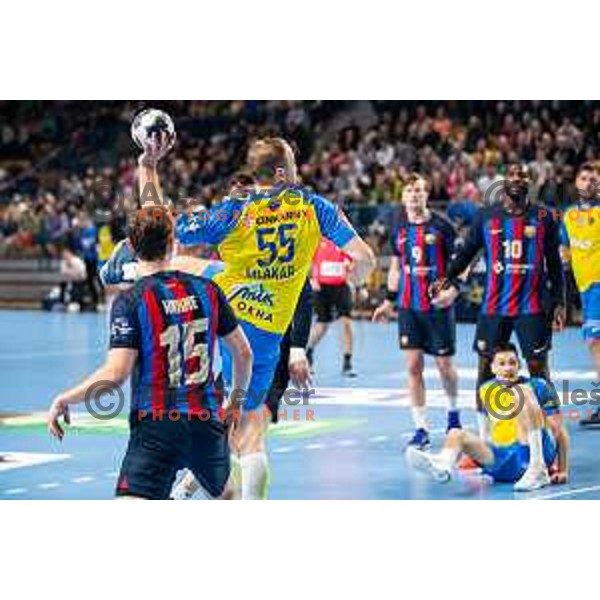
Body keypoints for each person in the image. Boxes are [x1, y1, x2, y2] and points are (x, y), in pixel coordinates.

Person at [171, 137, 376, 499]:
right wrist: (356, 280)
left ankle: (128, 269)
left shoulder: (234, 208)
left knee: (186, 265)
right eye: (294, 162)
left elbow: (180, 231)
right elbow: (365, 258)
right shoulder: (314, 206)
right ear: (283, 171)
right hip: (264, 330)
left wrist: (153, 176)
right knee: (251, 428)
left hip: (224, 313)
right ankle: (224, 490)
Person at [47, 206, 253, 500]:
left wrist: (64, 399)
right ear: (173, 242)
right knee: (226, 495)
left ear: (130, 247)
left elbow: (115, 374)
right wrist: (235, 402)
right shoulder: (208, 290)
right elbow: (243, 354)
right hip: (207, 423)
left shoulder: (131, 301)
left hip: (157, 426)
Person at [432, 164, 566, 440]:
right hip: (494, 307)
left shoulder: (545, 216)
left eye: (523, 176)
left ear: (531, 182)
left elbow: (554, 263)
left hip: (533, 307)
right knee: (486, 369)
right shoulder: (485, 216)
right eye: (513, 174)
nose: (517, 179)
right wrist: (446, 276)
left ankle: (551, 438)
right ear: (505, 181)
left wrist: (560, 304)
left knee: (539, 370)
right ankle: (485, 439)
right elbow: (467, 252)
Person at [406, 343, 570, 492]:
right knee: (456, 433)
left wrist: (563, 469)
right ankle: (443, 464)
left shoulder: (538, 385)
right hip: (503, 459)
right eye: (502, 363)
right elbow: (489, 434)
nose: (508, 368)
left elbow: (559, 431)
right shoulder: (486, 390)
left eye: (512, 363)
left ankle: (537, 469)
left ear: (519, 365)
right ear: (492, 368)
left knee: (523, 394)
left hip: (531, 450)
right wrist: (474, 454)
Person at [372, 173, 460, 449]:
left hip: (437, 307)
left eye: (419, 190)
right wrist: (388, 300)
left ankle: (454, 416)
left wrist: (453, 291)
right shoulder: (398, 226)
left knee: (444, 366)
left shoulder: (443, 226)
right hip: (409, 308)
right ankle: (421, 428)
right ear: (403, 196)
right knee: (413, 367)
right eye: (409, 191)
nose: (414, 195)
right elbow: (397, 267)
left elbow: (461, 264)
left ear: (427, 195)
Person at [559, 163, 600, 425]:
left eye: (593, 179)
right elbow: (565, 250)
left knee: (596, 344)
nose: (589, 183)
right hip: (584, 288)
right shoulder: (568, 215)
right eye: (584, 178)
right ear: (576, 182)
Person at [306, 237, 357, 377]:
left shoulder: (344, 238)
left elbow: (353, 260)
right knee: (322, 325)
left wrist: (351, 267)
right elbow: (307, 259)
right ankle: (308, 351)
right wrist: (312, 278)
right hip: (321, 288)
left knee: (346, 323)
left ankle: (347, 363)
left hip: (341, 286)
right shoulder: (316, 237)